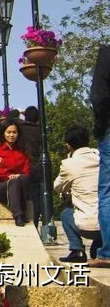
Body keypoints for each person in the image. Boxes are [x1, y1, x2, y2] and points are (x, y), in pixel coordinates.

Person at [53, 126, 102, 262]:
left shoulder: (69, 164)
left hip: (86, 226)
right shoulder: (101, 158)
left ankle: (77, 250)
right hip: (106, 224)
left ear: (68, 145)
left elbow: (57, 187)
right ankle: (101, 242)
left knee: (66, 213)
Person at [0, 120, 31, 226]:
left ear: (18, 134)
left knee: (22, 179)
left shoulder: (22, 151)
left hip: (18, 185)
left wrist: (19, 175)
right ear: (3, 133)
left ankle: (20, 211)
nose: (11, 135)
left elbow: (27, 172)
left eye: (14, 132)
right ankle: (19, 215)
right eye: (8, 132)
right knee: (14, 182)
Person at [89, 45, 110, 267]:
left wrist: (101, 125)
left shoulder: (107, 53)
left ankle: (108, 252)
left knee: (107, 192)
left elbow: (99, 95)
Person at [18, 106, 43, 226]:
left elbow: (9, 119)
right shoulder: (40, 130)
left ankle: (22, 218)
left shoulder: (22, 128)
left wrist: (18, 111)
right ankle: (35, 223)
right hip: (36, 167)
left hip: (23, 166)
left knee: (22, 194)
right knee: (36, 198)